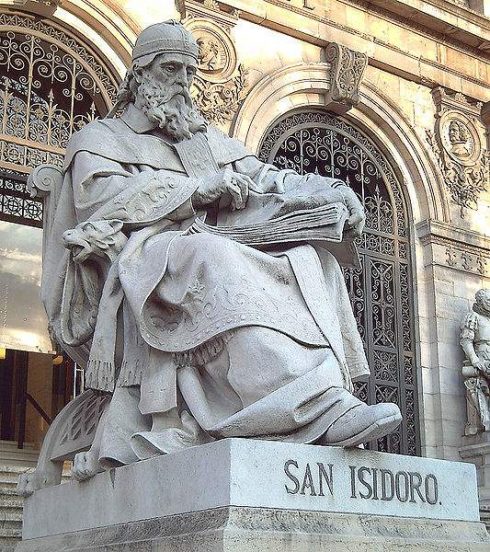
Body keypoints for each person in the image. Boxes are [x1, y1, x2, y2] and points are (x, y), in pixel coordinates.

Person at [43, 20, 401, 478]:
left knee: (313, 260)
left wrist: (327, 189)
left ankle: (324, 396)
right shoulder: (100, 139)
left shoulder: (204, 142)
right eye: (170, 69)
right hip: (147, 252)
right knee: (213, 257)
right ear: (138, 77)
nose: (181, 84)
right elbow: (98, 202)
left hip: (217, 245)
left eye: (189, 74)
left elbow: (268, 177)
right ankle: (308, 406)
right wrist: (194, 192)